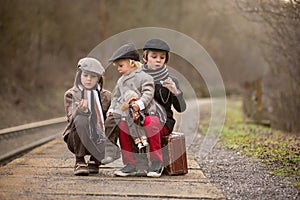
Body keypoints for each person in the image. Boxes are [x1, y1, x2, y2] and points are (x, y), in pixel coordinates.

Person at [117, 38, 187, 177]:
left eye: (162, 57)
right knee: (124, 123)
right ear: (145, 58)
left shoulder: (172, 80)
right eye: (154, 56)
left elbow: (181, 108)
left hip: (163, 121)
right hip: (137, 118)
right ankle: (130, 164)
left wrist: (175, 92)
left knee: (151, 121)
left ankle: (156, 163)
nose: (158, 60)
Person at [62, 57, 111, 176]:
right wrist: (80, 110)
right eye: (85, 75)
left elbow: (108, 121)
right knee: (81, 118)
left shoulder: (106, 96)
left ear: (99, 78)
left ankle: (96, 159)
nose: (88, 80)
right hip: (77, 140)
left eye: (93, 77)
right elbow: (71, 118)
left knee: (114, 120)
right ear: (79, 76)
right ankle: (79, 161)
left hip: (99, 140)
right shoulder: (71, 94)